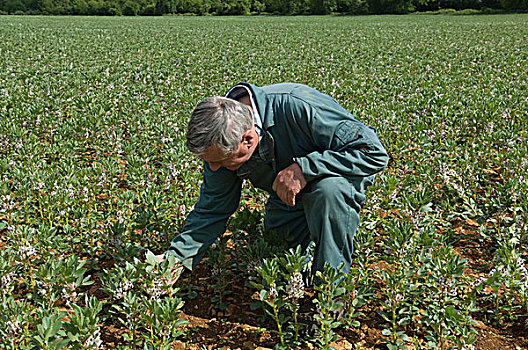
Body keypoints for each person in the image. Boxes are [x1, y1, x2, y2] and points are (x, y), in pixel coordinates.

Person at [158, 82, 388, 284]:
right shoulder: (221, 143)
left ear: (247, 139)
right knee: (278, 270)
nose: (214, 169)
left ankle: (330, 294)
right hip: (286, 193)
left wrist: (305, 169)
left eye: (221, 162)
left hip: (334, 178)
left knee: (329, 191)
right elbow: (212, 210)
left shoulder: (298, 106)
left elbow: (373, 153)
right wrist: (174, 261)